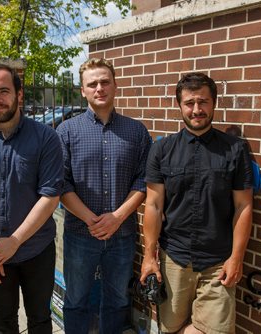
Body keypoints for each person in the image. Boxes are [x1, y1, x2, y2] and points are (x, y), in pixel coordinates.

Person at [140, 72, 253, 334]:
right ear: (180, 105)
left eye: (203, 102)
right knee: (170, 328)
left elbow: (243, 207)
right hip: (173, 259)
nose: (197, 109)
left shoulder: (235, 150)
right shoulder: (162, 149)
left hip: (218, 263)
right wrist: (149, 257)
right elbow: (154, 206)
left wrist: (237, 257)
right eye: (189, 103)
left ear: (214, 103)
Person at [0, 63, 64, 333]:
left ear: (19, 94)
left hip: (36, 249)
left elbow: (50, 196)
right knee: (3, 322)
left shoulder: (46, 138)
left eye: (4, 91)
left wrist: (15, 241)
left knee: (40, 319)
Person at [56, 58, 152, 334]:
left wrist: (117, 218)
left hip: (122, 235)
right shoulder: (67, 131)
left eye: (105, 82)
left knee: (118, 299)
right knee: (76, 300)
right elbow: (61, 184)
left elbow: (143, 180)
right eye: (92, 84)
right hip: (79, 233)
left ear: (115, 85)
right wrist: (92, 220)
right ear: (83, 90)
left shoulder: (136, 131)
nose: (100, 88)